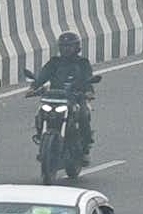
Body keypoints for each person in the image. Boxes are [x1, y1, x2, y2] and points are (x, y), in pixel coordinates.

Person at [28, 30, 100, 158]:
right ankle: (41, 136)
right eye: (63, 46)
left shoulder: (82, 62)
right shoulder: (55, 62)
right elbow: (43, 75)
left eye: (69, 46)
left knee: (83, 114)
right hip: (54, 97)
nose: (66, 49)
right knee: (40, 113)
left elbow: (88, 77)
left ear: (77, 47)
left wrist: (88, 92)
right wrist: (34, 87)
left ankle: (85, 144)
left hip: (75, 97)